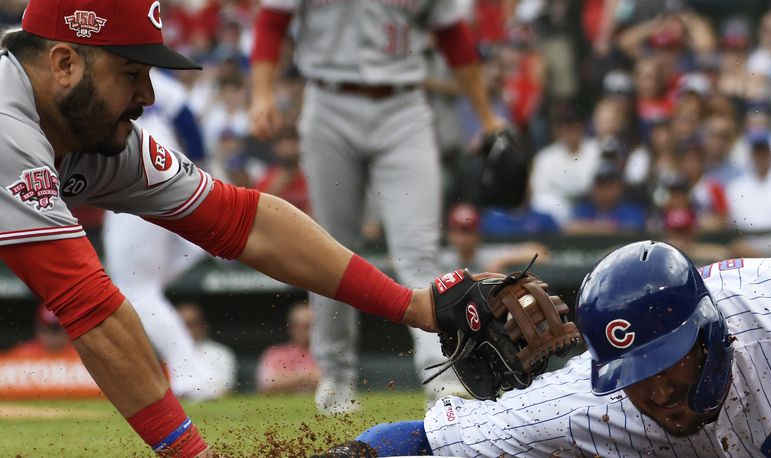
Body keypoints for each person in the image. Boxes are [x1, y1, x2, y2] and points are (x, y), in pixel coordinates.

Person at [0, 1, 448, 455]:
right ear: (63, 64)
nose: (148, 96)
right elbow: (88, 306)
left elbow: (246, 223)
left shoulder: (93, 134)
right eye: (132, 73)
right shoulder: (8, 126)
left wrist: (411, 305)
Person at [316, 191, 771, 457]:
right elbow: (435, 440)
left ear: (708, 336)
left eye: (666, 362)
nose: (657, 390)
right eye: (633, 372)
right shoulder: (593, 403)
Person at [249, 0, 507, 414]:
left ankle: (441, 370)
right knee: (327, 248)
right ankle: (335, 375)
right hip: (328, 102)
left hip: (403, 106)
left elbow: (454, 36)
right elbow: (272, 20)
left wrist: (486, 117)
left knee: (419, 248)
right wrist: (261, 93)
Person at [102, 68, 218, 400]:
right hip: (171, 179)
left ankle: (194, 375)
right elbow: (188, 126)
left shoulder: (117, 74)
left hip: (138, 183)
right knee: (143, 290)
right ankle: (194, 372)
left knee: (136, 291)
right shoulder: (154, 81)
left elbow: (188, 122)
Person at [255, 301, 320, 394]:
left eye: (314, 326)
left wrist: (290, 378)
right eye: (306, 326)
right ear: (292, 328)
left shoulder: (328, 353)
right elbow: (266, 384)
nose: (311, 331)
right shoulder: (275, 353)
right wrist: (305, 376)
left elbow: (336, 381)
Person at [177, 302, 237, 397]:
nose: (185, 330)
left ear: (201, 326)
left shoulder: (221, 353)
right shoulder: (165, 355)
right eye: (181, 325)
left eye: (191, 324)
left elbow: (225, 389)